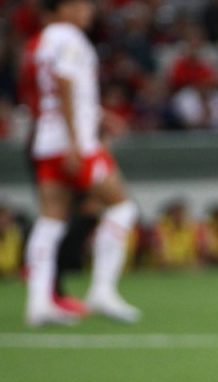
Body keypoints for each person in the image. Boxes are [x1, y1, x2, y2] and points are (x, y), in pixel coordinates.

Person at [23, 0, 140, 327]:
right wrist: (77, 140)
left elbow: (57, 91)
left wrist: (101, 115)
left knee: (51, 221)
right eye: (80, 4)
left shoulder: (46, 38)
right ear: (62, 9)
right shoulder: (69, 37)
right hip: (76, 143)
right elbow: (64, 84)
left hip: (46, 140)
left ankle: (38, 302)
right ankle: (102, 290)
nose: (87, 10)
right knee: (122, 207)